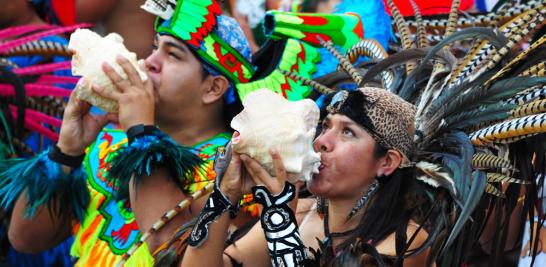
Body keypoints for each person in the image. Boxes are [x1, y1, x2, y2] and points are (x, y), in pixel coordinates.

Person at [0, 0, 256, 266]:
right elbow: (25, 239)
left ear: (213, 88)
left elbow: (171, 249)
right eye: (156, 47)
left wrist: (142, 133)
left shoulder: (234, 169)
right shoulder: (111, 143)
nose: (150, 62)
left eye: (173, 55)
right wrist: (67, 151)